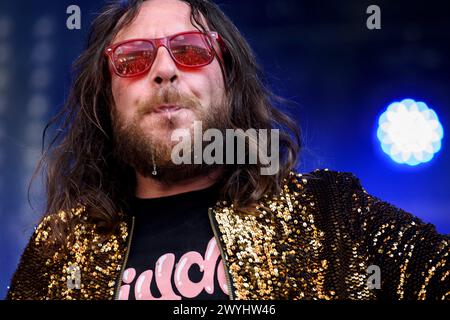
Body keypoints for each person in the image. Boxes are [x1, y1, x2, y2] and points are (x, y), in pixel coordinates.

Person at [7, 0, 449, 300]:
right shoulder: (59, 251)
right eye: (133, 58)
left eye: (190, 50)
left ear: (230, 83)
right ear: (106, 96)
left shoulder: (329, 214)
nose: (163, 70)